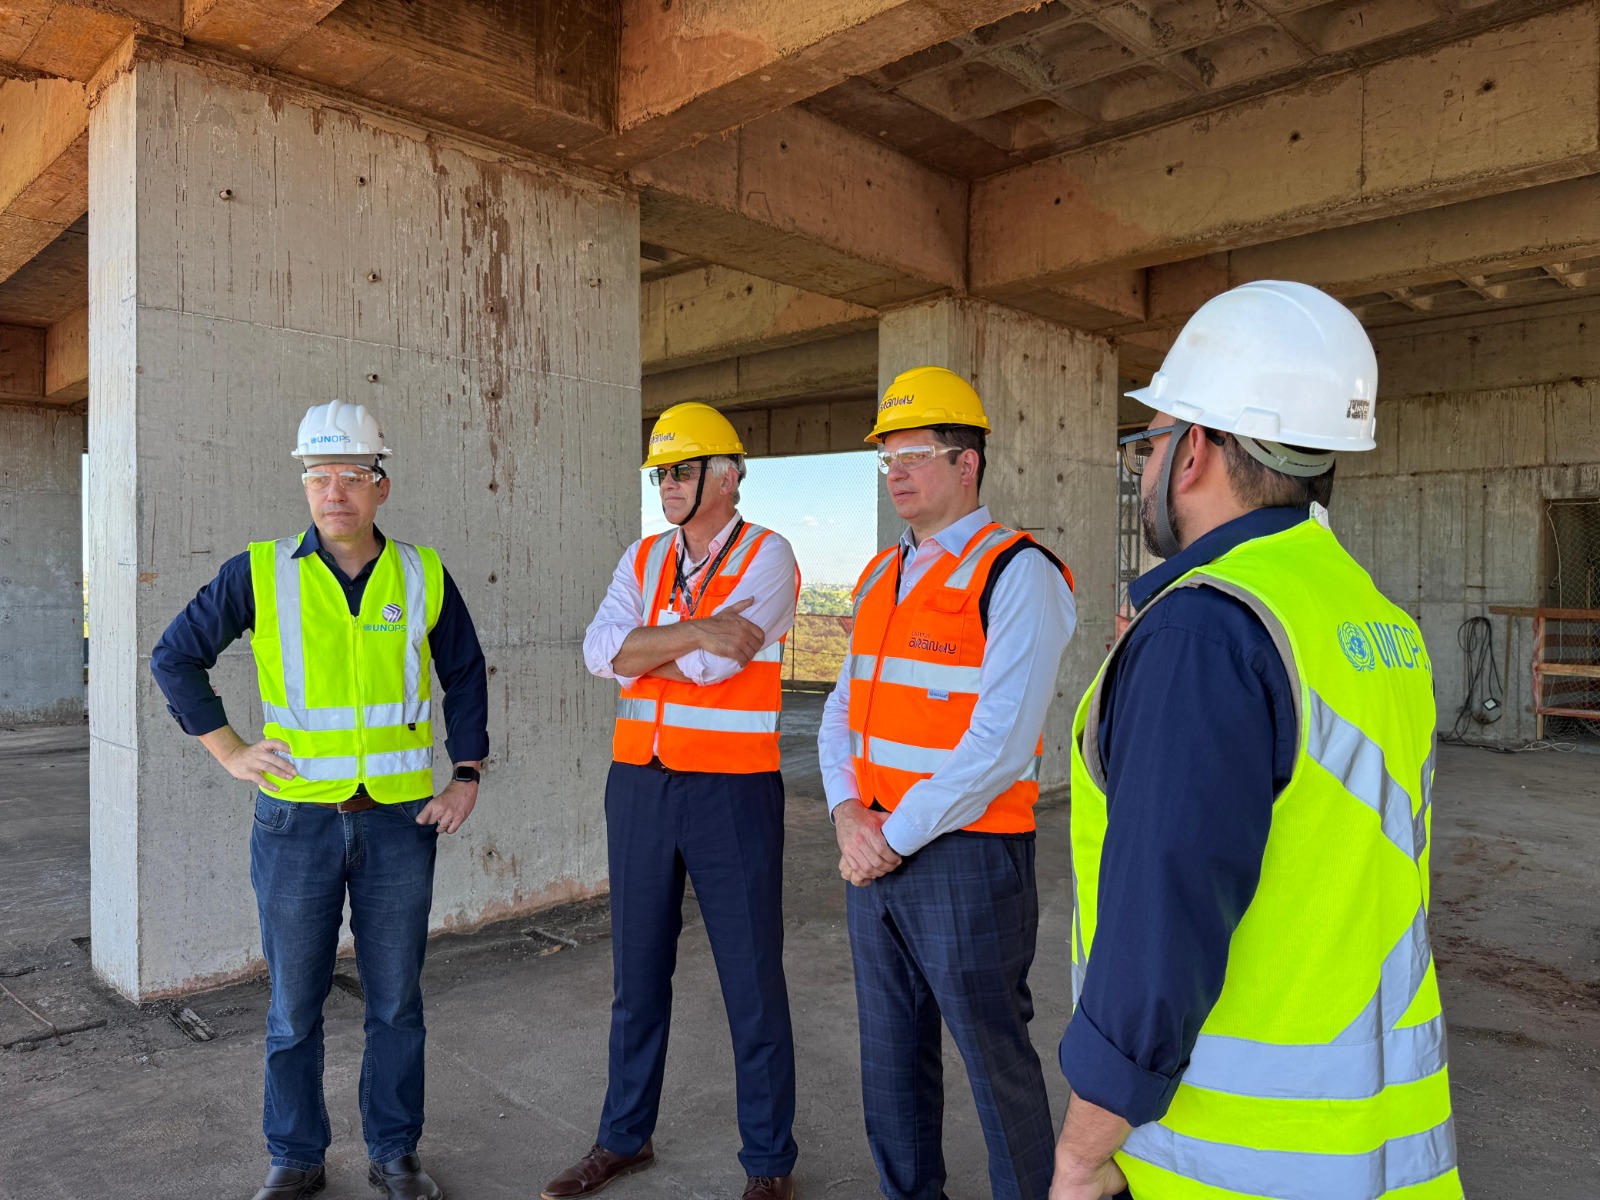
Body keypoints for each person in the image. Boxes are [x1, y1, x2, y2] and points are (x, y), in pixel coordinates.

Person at [1052, 281, 1460, 1200]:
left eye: (1149, 442)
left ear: (1193, 449)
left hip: (1237, 1160)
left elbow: (1160, 926)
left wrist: (1082, 1150)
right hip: (1381, 1152)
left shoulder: (1207, 632)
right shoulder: (1374, 618)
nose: (1144, 470)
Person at [150, 399, 488, 1200]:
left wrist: (466, 773)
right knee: (293, 1006)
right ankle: (296, 1156)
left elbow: (466, 671)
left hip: (400, 823)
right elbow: (175, 657)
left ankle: (395, 1152)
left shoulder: (421, 573)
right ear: (305, 484)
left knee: (396, 1003)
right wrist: (230, 751)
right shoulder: (260, 571)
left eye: (352, 476)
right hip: (296, 823)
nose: (334, 492)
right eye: (319, 476)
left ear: (381, 485)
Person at [818, 367, 1077, 1200]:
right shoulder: (879, 575)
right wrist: (847, 812)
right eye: (886, 458)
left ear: (968, 464)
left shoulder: (1018, 573)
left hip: (966, 857)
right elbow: (840, 709)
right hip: (873, 849)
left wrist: (885, 838)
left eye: (914, 455)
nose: (895, 473)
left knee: (995, 1061)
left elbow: (999, 745)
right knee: (890, 1061)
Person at [546, 402, 801, 1200]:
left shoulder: (769, 555)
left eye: (682, 469)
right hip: (640, 786)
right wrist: (694, 630)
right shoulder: (644, 555)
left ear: (728, 475)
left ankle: (769, 1163)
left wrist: (651, 646)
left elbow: (713, 670)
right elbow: (599, 653)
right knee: (637, 974)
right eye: (661, 472)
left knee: (751, 980)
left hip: (732, 789)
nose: (668, 484)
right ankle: (624, 1137)